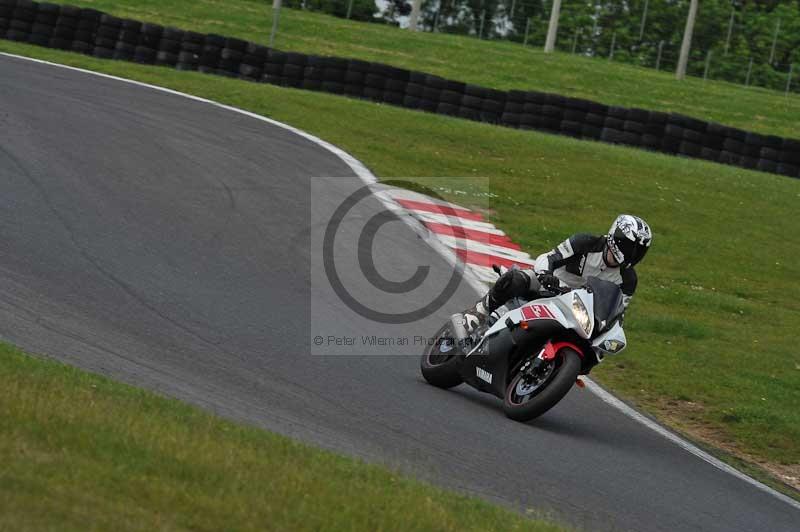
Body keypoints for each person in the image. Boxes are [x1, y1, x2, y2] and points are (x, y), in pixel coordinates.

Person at [462, 214, 653, 332]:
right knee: (516, 279)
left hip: (579, 311)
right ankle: (480, 312)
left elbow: (617, 313)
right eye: (630, 247)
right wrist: (546, 275)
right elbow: (549, 257)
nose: (633, 254)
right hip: (551, 286)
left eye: (639, 250)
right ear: (616, 237)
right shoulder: (585, 242)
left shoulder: (628, 280)